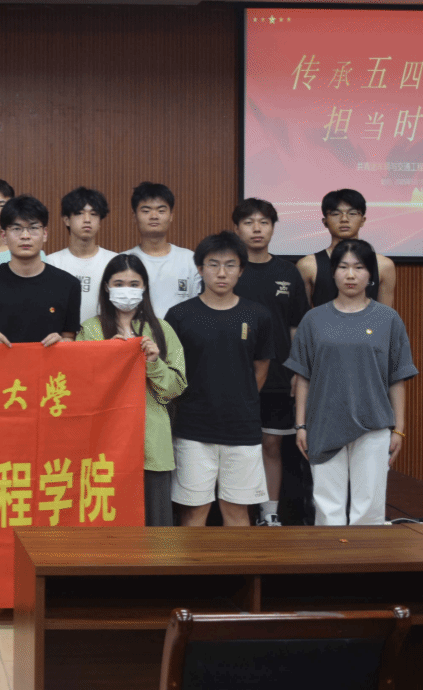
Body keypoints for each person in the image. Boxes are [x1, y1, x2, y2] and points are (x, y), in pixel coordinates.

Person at [286, 239, 417, 526]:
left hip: (374, 424)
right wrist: (301, 425)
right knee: (327, 507)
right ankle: (330, 556)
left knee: (369, 508)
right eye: (343, 267)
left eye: (359, 268)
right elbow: (303, 376)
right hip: (323, 424)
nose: (350, 275)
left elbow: (397, 377)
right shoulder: (313, 319)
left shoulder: (388, 319)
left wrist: (399, 428)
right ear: (332, 273)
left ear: (371, 275)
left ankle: (366, 557)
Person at [165, 231, 274, 527]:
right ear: (200, 269)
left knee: (237, 513)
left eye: (230, 265)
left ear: (241, 270)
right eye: (213, 264)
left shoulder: (258, 315)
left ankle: (238, 563)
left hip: (242, 429)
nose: (222, 273)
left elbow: (261, 368)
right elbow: (171, 372)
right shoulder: (179, 315)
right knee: (193, 512)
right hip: (192, 429)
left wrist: (238, 400)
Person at [75, 254, 186, 526]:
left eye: (134, 284)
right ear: (106, 287)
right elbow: (80, 390)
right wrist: (109, 359)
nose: (127, 290)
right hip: (104, 447)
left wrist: (154, 363)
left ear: (144, 287)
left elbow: (175, 389)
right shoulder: (91, 329)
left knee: (156, 529)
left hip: (151, 445)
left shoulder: (162, 329)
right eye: (119, 283)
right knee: (109, 527)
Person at [232, 198, 310, 526]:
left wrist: (297, 371)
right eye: (249, 222)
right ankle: (237, 514)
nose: (257, 229)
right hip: (235, 375)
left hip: (278, 375)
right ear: (237, 228)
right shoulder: (230, 270)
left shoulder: (287, 272)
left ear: (273, 228)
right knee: (237, 447)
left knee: (272, 445)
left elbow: (297, 327)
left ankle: (269, 513)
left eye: (264, 222)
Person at [0, 195, 80, 347]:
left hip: (48, 363)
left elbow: (69, 337)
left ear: (45, 234)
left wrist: (63, 342)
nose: (25, 236)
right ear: (4, 236)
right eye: (16, 229)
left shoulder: (69, 285)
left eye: (33, 228)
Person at [297, 188, 397, 308]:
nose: (344, 219)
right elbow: (303, 316)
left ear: (363, 220)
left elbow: (385, 315)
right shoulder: (308, 265)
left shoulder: (383, 265)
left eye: (352, 213)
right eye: (335, 214)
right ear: (325, 222)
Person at [123, 182, 200, 318]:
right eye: (146, 211)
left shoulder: (190, 260)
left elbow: (198, 307)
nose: (154, 216)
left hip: (180, 332)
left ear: (171, 216)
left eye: (161, 211)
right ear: (134, 217)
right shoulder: (123, 260)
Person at [46, 187, 117, 326]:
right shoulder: (51, 262)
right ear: (66, 220)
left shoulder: (113, 261)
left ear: (100, 221)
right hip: (62, 336)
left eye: (94, 214)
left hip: (104, 336)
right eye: (79, 213)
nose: (87, 220)